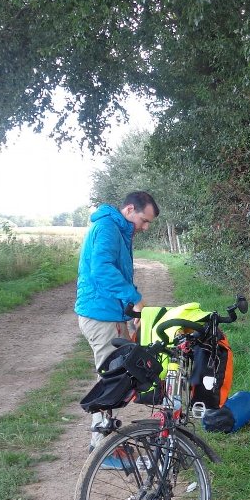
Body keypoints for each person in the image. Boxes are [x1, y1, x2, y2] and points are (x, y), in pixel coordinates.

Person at [76, 191, 159, 448]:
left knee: (117, 376)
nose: (144, 227)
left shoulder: (119, 230)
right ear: (130, 209)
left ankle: (106, 442)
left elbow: (117, 272)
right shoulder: (109, 227)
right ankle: (101, 447)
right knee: (110, 381)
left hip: (109, 314)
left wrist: (130, 312)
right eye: (143, 220)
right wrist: (134, 298)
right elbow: (102, 270)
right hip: (100, 315)